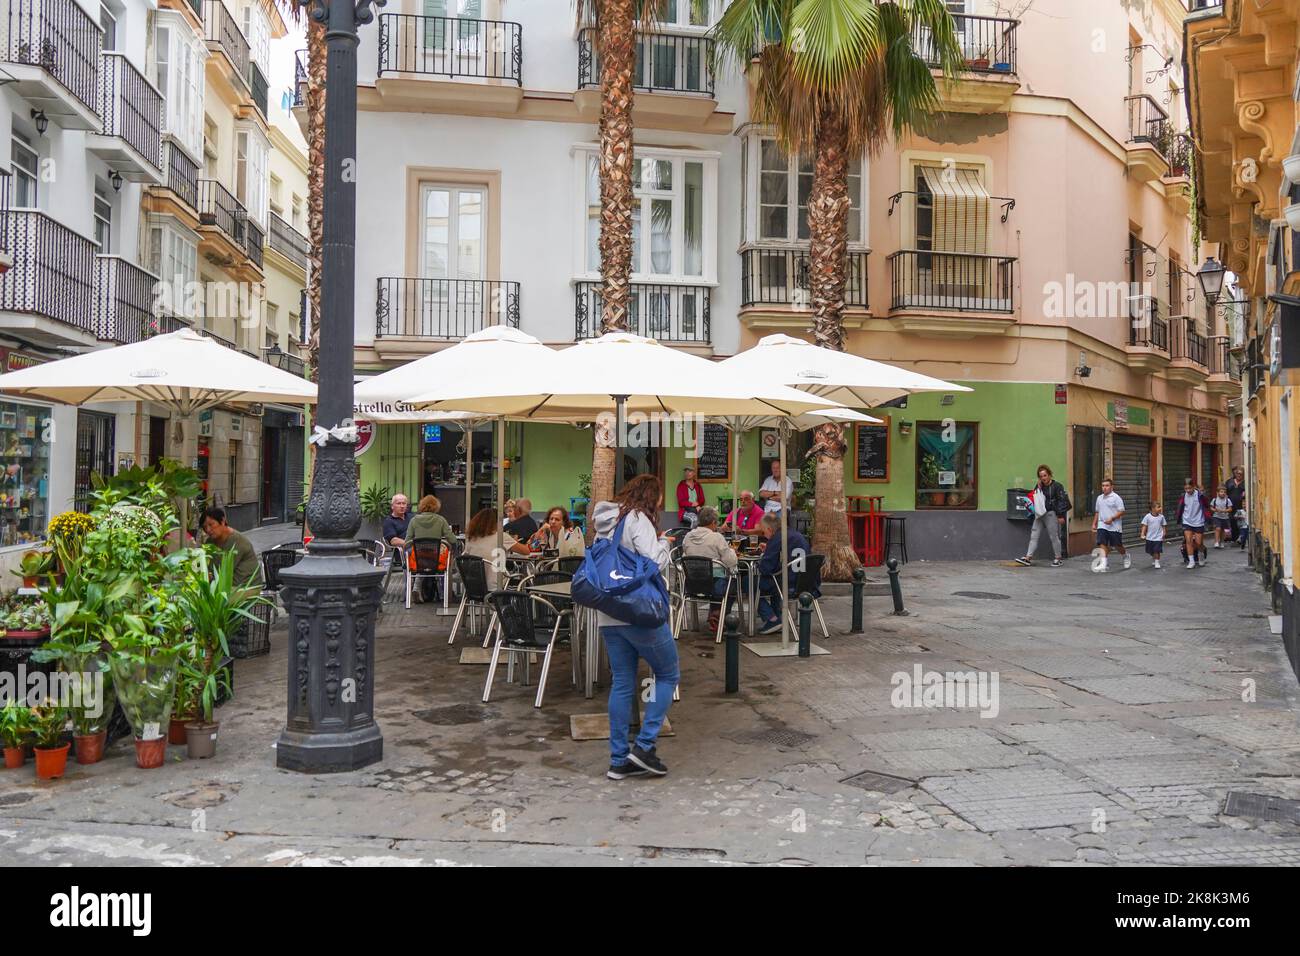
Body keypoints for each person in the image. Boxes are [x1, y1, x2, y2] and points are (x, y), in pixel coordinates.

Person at [591, 474, 676, 780]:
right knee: (668, 674)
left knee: (623, 682)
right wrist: (665, 543)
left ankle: (618, 760)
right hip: (639, 611)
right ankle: (643, 747)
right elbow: (653, 560)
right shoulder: (637, 518)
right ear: (650, 496)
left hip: (610, 613)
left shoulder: (606, 522)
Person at [681, 505, 739, 633]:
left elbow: (684, 556)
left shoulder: (688, 536)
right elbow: (731, 561)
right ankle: (719, 616)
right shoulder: (717, 537)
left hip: (692, 585)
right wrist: (732, 551)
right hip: (715, 586)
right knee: (732, 583)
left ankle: (715, 614)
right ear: (713, 523)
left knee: (719, 579)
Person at [755, 512, 814, 633]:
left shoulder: (777, 538)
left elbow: (766, 568)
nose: (764, 535)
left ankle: (772, 619)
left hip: (788, 584)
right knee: (775, 580)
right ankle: (778, 618)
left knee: (748, 583)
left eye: (763, 532)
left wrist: (762, 558)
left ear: (770, 529)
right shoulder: (794, 534)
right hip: (807, 584)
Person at [1014, 464, 1071, 567]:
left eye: (1045, 475)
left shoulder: (1057, 486)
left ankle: (1058, 558)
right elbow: (1036, 498)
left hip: (1050, 513)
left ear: (1049, 475)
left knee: (1053, 536)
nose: (1043, 478)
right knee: (1034, 534)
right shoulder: (1040, 486)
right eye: (1041, 476)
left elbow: (1062, 500)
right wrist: (1039, 487)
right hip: (1039, 514)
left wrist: (1061, 515)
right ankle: (1028, 557)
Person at [200, 507, 263, 593]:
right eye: (204, 527)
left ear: (222, 521)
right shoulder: (210, 542)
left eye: (211, 525)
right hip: (225, 587)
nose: (208, 530)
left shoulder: (238, 542)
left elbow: (222, 572)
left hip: (246, 588)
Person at [463, 507, 529, 587]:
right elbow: (526, 551)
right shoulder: (501, 537)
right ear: (496, 522)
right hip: (496, 585)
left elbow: (465, 557)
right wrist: (529, 542)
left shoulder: (472, 538)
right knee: (525, 581)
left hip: (474, 586)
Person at [406, 495, 455, 601]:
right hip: (436, 559)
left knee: (423, 560)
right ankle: (443, 593)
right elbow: (452, 539)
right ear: (436, 507)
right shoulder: (441, 520)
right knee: (446, 556)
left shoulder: (414, 520)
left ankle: (417, 586)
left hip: (419, 559)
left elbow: (407, 542)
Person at [1090, 478, 1130, 573]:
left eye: (1107, 486)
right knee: (1102, 542)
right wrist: (1094, 523)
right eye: (1103, 486)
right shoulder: (1099, 498)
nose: (1104, 488)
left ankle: (1125, 555)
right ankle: (1104, 563)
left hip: (1114, 526)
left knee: (1117, 545)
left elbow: (1122, 511)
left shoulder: (1116, 498)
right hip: (1102, 524)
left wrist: (1112, 518)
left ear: (1112, 487)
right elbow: (1097, 512)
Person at [1178, 477, 1211, 569]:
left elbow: (1206, 505)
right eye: (1186, 488)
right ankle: (1191, 561)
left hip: (1198, 521)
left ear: (1193, 487)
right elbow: (1180, 507)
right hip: (1187, 521)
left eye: (1189, 488)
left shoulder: (1199, 495)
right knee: (1188, 541)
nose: (1188, 490)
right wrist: (1179, 518)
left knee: (1198, 542)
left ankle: (1201, 555)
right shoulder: (1183, 496)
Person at [1140, 500, 1167, 570]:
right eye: (1158, 507)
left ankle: (1157, 561)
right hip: (1149, 537)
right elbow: (1144, 526)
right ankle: (1154, 557)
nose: (1160, 508)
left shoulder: (1161, 517)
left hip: (1158, 537)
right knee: (1150, 550)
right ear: (1153, 509)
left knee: (1156, 550)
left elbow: (1163, 525)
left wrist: (1164, 532)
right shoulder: (1147, 516)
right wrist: (1142, 533)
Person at [1225, 466, 1246, 547]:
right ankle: (1234, 538)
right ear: (1235, 473)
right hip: (1230, 505)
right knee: (1232, 521)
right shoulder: (1229, 482)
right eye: (1237, 473)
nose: (1239, 475)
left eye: (1240, 474)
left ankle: (1239, 538)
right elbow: (1224, 491)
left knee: (1240, 522)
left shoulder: (1244, 482)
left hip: (1240, 505)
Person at [1210, 484, 1234, 549]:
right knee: (1218, 528)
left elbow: (1230, 509)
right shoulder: (1214, 500)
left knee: (1223, 530)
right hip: (1216, 516)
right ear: (1217, 493)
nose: (1223, 493)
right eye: (1221, 492)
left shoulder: (1227, 500)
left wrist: (1224, 510)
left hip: (1225, 517)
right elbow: (1211, 507)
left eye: (1224, 492)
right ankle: (1216, 542)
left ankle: (1222, 541)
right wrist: (1215, 510)